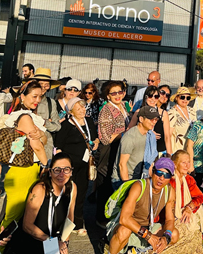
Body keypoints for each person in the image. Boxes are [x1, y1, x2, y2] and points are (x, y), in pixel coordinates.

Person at [0, 81, 50, 233]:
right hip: (24, 170)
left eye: (40, 96)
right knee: (13, 217)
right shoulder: (25, 117)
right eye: (34, 96)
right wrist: (46, 165)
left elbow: (43, 141)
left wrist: (41, 134)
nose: (37, 100)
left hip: (26, 169)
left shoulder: (28, 116)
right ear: (23, 97)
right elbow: (37, 146)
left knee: (19, 216)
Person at [4, 153, 76, 254]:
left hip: (53, 241)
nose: (62, 174)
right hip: (31, 243)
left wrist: (64, 243)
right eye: (57, 170)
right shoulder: (40, 189)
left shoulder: (72, 187)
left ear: (71, 171)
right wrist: (52, 242)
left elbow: (69, 218)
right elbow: (27, 225)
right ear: (50, 172)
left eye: (66, 169)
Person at [106, 158, 178, 254]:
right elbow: (124, 219)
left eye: (166, 175)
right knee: (124, 230)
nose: (161, 178)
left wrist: (166, 237)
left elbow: (170, 220)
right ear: (152, 171)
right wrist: (148, 236)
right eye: (159, 173)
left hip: (147, 228)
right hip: (127, 226)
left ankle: (137, 251)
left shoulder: (170, 191)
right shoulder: (139, 186)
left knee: (174, 234)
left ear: (170, 178)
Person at [54, 97, 99, 234]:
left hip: (85, 164)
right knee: (67, 193)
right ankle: (62, 222)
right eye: (78, 108)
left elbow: (95, 137)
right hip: (69, 166)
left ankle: (77, 223)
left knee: (81, 193)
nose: (82, 110)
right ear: (71, 111)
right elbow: (59, 146)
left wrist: (96, 143)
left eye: (83, 107)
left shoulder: (89, 121)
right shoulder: (66, 125)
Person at [96, 80, 130, 227]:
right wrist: (125, 134)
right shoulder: (106, 110)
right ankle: (101, 218)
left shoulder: (123, 106)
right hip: (110, 150)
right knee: (106, 184)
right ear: (107, 96)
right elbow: (105, 138)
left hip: (121, 148)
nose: (117, 95)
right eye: (113, 93)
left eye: (120, 92)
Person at [165, 150, 203, 254]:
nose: (187, 166)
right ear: (175, 164)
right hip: (170, 217)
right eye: (184, 162)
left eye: (189, 162)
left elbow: (200, 197)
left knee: (193, 226)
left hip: (184, 214)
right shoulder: (168, 180)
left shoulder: (188, 179)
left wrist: (189, 207)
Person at [112, 106, 161, 185]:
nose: (154, 122)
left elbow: (150, 161)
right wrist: (127, 185)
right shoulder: (130, 137)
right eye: (151, 119)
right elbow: (122, 164)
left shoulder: (150, 136)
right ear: (141, 119)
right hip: (123, 179)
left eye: (156, 119)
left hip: (139, 177)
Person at [128, 86, 173, 156]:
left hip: (158, 151)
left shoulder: (163, 113)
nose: (153, 99)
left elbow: (167, 136)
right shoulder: (139, 112)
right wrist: (148, 134)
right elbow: (129, 130)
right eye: (150, 96)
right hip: (140, 151)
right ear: (145, 97)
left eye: (156, 96)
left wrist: (169, 155)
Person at [29, 68, 61, 137]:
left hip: (45, 141)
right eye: (40, 84)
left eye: (46, 85)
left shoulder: (51, 103)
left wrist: (45, 122)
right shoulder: (25, 100)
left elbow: (57, 126)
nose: (43, 87)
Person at [168, 87, 197, 152]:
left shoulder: (192, 111)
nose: (185, 100)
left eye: (188, 98)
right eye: (182, 97)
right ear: (176, 98)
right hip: (177, 150)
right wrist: (169, 153)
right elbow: (168, 135)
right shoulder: (172, 113)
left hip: (191, 149)